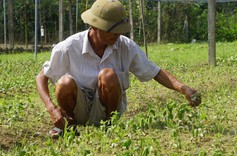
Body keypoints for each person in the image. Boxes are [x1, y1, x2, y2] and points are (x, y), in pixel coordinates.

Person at [36, 0, 201, 138]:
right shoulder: (68, 47)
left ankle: (109, 125)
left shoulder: (125, 46)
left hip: (107, 108)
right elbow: (41, 77)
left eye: (119, 31)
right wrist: (52, 109)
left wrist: (183, 88)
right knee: (64, 83)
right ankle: (68, 126)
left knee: (108, 75)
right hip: (79, 107)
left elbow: (154, 71)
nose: (117, 35)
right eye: (112, 31)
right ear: (95, 27)